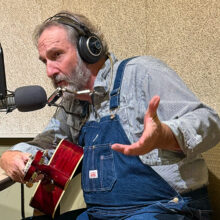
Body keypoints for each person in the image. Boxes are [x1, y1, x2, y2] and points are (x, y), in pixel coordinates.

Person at [0, 11, 220, 220]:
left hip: (166, 207)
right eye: (44, 61)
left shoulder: (141, 73)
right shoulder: (73, 102)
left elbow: (209, 122)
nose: (49, 71)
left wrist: (167, 134)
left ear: (89, 48)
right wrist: (12, 154)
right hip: (102, 214)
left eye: (56, 55)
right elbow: (47, 143)